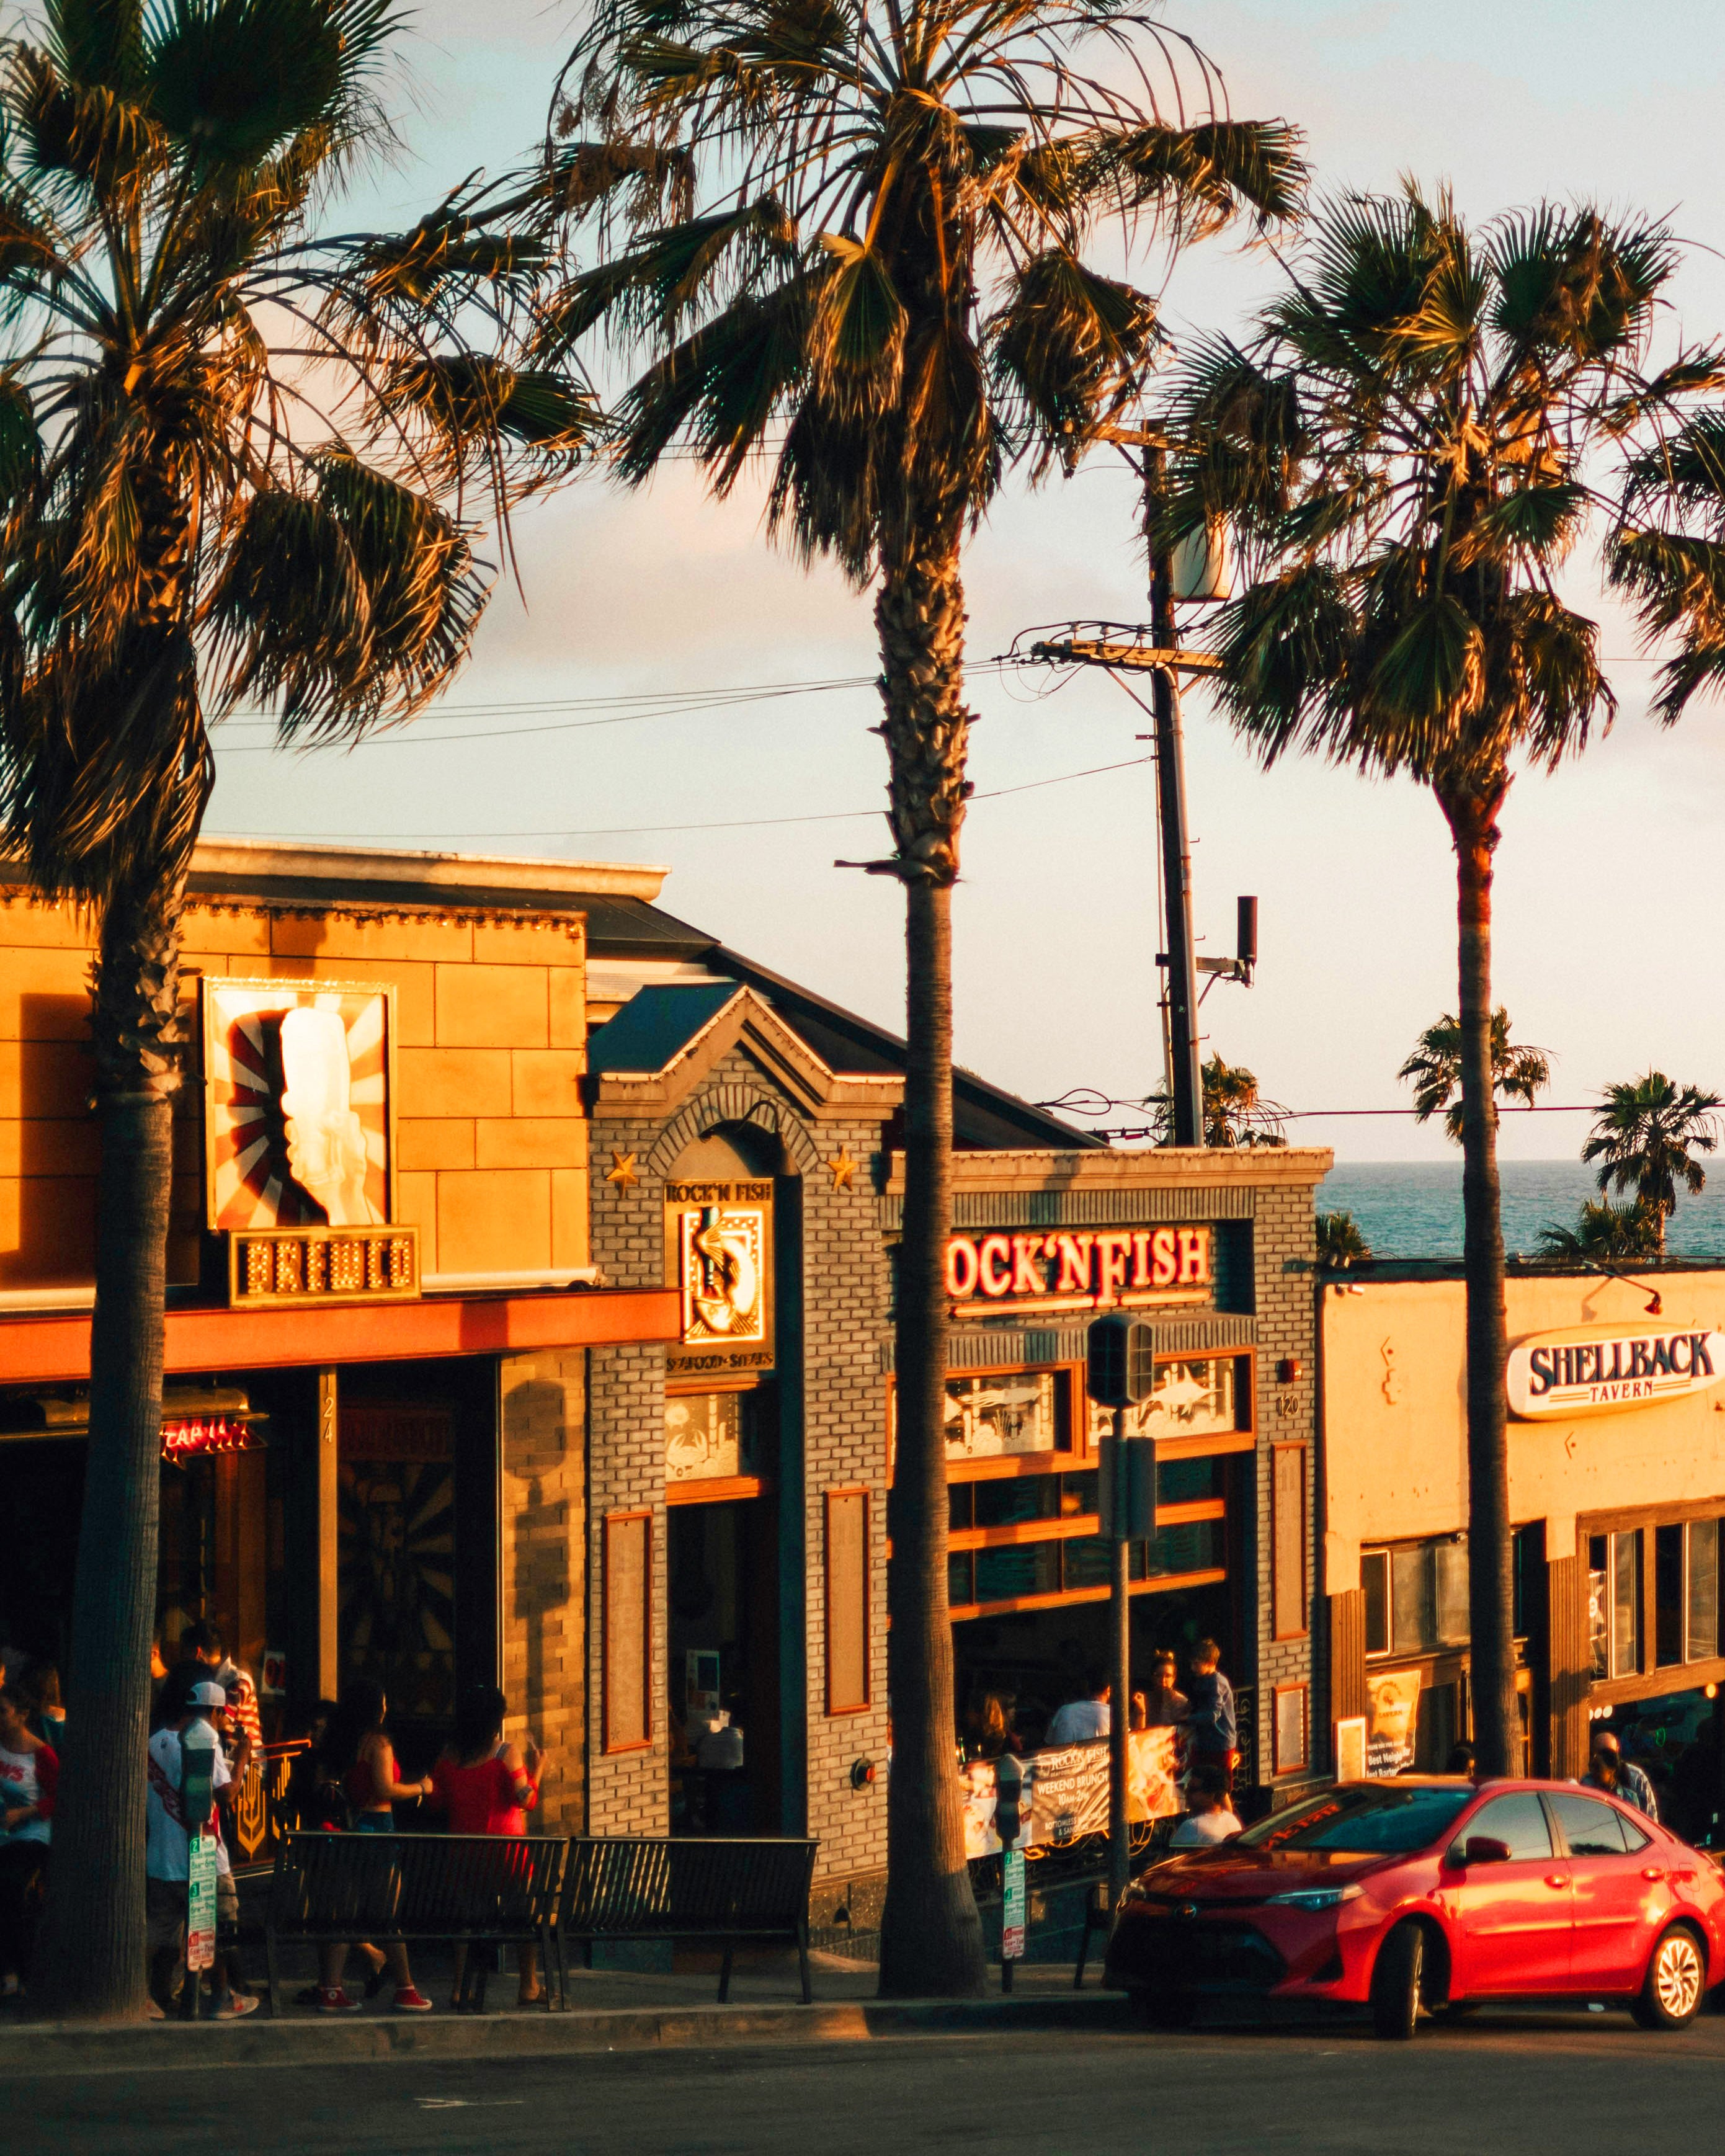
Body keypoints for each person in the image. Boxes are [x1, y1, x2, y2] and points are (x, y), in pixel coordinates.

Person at [313, 1679, 434, 2013]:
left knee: (344, 1913)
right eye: (383, 1702)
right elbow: (385, 1789)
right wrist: (421, 1787)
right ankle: (405, 1987)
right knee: (389, 1914)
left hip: (348, 1830)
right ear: (376, 1707)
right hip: (378, 1829)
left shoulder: (341, 1741)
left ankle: (332, 1989)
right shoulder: (378, 1742)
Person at [145, 1680, 257, 2019]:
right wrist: (241, 1757)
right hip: (204, 1856)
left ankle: (158, 1997)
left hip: (162, 1859)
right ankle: (222, 1998)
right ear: (215, 1711)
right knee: (219, 1929)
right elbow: (227, 1792)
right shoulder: (205, 1737)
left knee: (163, 1935)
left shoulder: (154, 1741)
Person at [430, 1685, 546, 2007]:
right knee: (524, 1915)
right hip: (506, 1854)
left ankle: (458, 1988)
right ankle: (529, 1986)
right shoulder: (505, 1753)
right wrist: (538, 1770)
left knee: (465, 1921)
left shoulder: (449, 1755)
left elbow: (437, 1801)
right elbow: (528, 1800)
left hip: (463, 1855)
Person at [0, 1684, 56, 2002]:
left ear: (22, 1715)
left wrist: (26, 1812)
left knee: (10, 1890)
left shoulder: (41, 1755)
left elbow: (60, 1796)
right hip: (3, 1834)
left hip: (30, 1836)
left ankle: (19, 1972)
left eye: (3, 1712)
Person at [181, 1621, 262, 1756]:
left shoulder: (238, 1680)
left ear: (197, 1653)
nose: (183, 1661)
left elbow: (218, 1719)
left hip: (248, 1767)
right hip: (223, 1762)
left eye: (184, 1654)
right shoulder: (208, 1680)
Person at [1186, 1641, 1237, 1789]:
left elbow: (1212, 1715)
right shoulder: (1202, 1681)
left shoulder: (1216, 1682)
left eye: (1196, 1664)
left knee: (1220, 1787)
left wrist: (1188, 1719)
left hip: (1220, 1743)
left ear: (1209, 1663)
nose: (1192, 1668)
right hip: (1206, 1741)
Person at [1585, 1729, 1659, 1820]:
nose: (1605, 1759)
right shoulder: (1587, 1782)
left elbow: (1650, 1818)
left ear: (1617, 1751)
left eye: (1610, 1755)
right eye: (1601, 1754)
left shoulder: (1637, 1778)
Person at [1169, 1767, 1242, 1848]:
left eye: (1193, 1789)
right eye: (1187, 1788)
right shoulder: (1232, 1820)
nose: (1186, 1792)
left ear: (1212, 1796)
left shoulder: (1192, 1827)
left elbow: (1172, 1855)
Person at [1046, 1670, 1110, 1747]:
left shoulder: (1064, 1711)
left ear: (1087, 1688)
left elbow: (1048, 1743)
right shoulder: (1114, 1715)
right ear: (1108, 1690)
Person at [1141, 1653, 1189, 1729]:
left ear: (1174, 1678)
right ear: (1153, 1677)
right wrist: (1141, 1712)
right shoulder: (1144, 1700)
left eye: (1168, 1676)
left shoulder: (1182, 1703)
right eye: (1159, 1676)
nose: (1163, 1680)